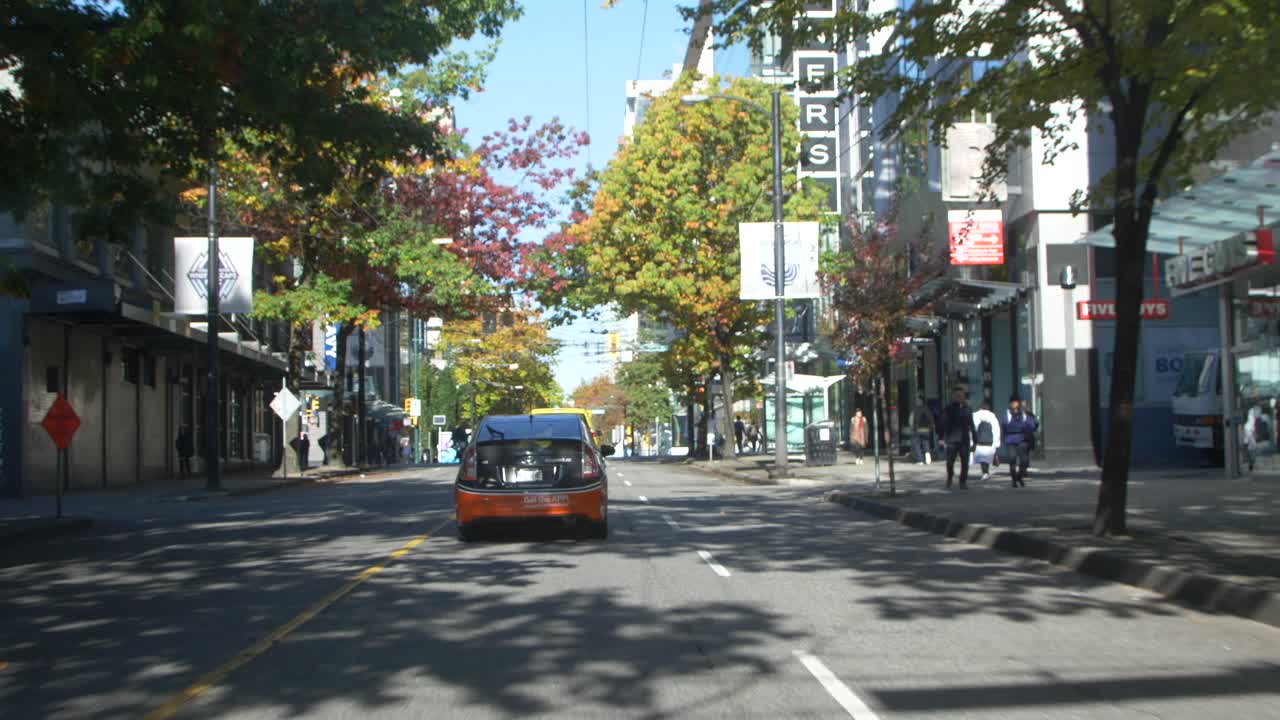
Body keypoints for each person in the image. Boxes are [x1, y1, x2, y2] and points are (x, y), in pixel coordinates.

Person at [940, 388, 975, 489]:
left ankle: (963, 481)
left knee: (965, 462)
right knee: (950, 462)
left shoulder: (967, 409)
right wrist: (942, 438)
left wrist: (975, 440)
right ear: (953, 397)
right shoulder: (948, 409)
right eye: (957, 396)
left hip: (964, 439)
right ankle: (950, 476)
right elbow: (943, 424)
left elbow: (971, 425)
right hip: (952, 439)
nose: (960, 398)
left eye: (961, 396)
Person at [1001, 395, 1038, 487]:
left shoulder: (1023, 414)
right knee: (1012, 459)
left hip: (1022, 439)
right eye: (1012, 402)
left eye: (1016, 402)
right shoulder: (1007, 414)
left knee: (1024, 461)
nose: (1014, 404)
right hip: (1011, 440)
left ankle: (1019, 476)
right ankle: (1014, 479)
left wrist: (1025, 421)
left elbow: (1032, 426)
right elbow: (1004, 425)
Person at [971, 401, 1002, 481]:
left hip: (979, 441)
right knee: (987, 458)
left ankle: (984, 472)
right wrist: (996, 442)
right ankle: (986, 472)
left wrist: (971, 441)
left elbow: (972, 429)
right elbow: (996, 429)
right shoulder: (992, 416)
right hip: (989, 441)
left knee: (982, 458)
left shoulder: (975, 416)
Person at [909, 395, 935, 464]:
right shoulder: (927, 410)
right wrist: (931, 428)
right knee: (926, 443)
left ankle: (920, 460)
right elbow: (931, 420)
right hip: (926, 430)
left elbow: (911, 420)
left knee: (917, 445)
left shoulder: (915, 410)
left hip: (917, 429)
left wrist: (912, 428)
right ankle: (928, 459)